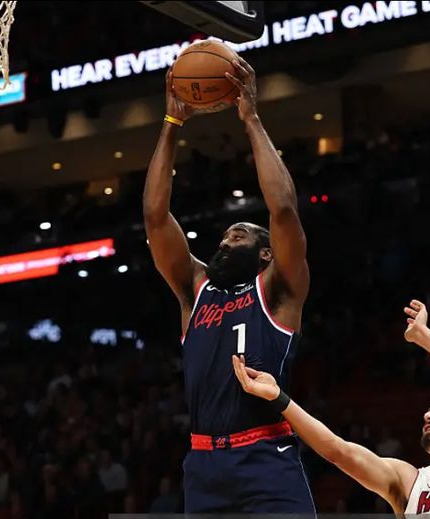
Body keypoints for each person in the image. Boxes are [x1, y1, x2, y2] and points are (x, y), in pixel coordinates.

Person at [143, 56, 314, 513]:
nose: (224, 241)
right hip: (204, 464)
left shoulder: (278, 289)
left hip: (266, 455)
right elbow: (155, 217)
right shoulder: (194, 288)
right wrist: (172, 123)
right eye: (223, 236)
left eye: (237, 235)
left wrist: (251, 118)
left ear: (265, 253)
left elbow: (284, 211)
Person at [232, 299, 430, 515]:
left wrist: (423, 336)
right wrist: (279, 397)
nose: (428, 415)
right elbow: (339, 451)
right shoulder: (408, 480)